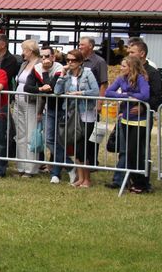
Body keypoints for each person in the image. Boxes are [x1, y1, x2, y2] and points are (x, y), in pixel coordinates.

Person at [26, 46, 72, 184]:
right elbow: (28, 87)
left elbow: (51, 88)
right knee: (49, 140)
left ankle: (56, 173)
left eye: (47, 56)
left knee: (59, 141)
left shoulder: (59, 68)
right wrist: (40, 88)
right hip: (49, 109)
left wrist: (45, 74)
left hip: (63, 108)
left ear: (53, 57)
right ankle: (69, 165)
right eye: (42, 57)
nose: (44, 59)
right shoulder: (37, 68)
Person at [54, 49, 100, 188]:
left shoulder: (87, 73)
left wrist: (80, 93)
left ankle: (87, 179)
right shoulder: (66, 75)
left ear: (80, 62)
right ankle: (80, 178)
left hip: (86, 114)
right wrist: (62, 74)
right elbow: (57, 91)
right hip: (71, 114)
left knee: (84, 148)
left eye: (73, 60)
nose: (70, 63)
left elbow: (95, 91)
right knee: (76, 148)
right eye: (68, 60)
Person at [106, 56, 151, 193]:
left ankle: (141, 183)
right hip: (125, 120)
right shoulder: (121, 78)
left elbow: (145, 95)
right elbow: (109, 92)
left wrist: (130, 95)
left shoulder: (141, 79)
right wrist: (125, 96)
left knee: (134, 152)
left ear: (131, 67)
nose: (121, 68)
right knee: (127, 152)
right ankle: (129, 180)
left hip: (139, 122)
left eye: (124, 66)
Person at [13, 39, 42, 177]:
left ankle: (31, 168)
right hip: (18, 100)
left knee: (31, 135)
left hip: (31, 102)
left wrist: (41, 109)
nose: (22, 52)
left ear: (30, 50)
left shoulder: (40, 64)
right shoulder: (24, 64)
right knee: (20, 134)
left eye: (24, 49)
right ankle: (21, 166)